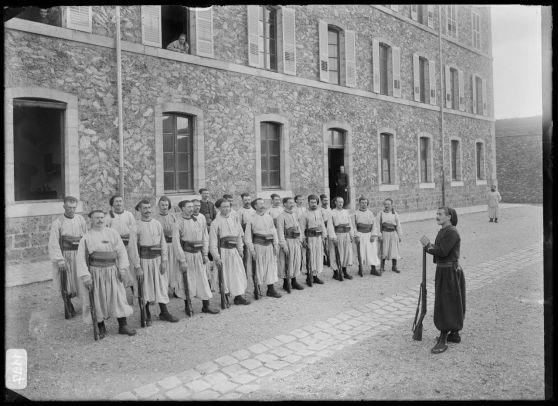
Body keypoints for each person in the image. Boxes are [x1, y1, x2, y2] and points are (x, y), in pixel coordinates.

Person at [76, 210, 136, 338]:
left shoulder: (113, 233)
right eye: (96, 218)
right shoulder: (86, 237)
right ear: (91, 220)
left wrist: (122, 269)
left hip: (112, 271)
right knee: (98, 299)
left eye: (102, 217)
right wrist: (86, 276)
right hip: (96, 272)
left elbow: (121, 252)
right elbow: (80, 258)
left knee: (118, 297)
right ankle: (101, 326)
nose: (100, 220)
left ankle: (123, 325)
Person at [420, 207, 466, 354]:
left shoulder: (452, 232)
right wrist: (431, 247)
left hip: (450, 272)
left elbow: (443, 251)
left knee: (446, 302)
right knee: (449, 300)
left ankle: (444, 337)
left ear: (449, 217)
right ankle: (454, 334)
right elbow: (439, 249)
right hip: (443, 270)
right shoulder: (443, 231)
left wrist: (428, 246)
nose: (437, 216)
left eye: (440, 214)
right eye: (437, 214)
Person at [129, 199, 179, 324]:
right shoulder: (135, 226)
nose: (147, 211)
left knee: (161, 286)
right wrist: (137, 266)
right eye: (144, 208)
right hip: (144, 260)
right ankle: (146, 313)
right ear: (139, 210)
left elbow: (162, 243)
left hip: (157, 260)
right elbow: (133, 248)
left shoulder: (157, 223)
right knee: (144, 287)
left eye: (149, 208)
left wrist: (164, 260)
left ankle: (164, 312)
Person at [173, 201, 219, 315]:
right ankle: (188, 305)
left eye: (192, 207)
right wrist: (182, 260)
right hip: (186, 255)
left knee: (203, 279)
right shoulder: (178, 223)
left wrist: (204, 254)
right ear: (182, 208)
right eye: (188, 207)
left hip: (198, 255)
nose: (191, 209)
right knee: (187, 281)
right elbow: (176, 243)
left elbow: (205, 237)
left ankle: (206, 305)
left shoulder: (199, 220)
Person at [48, 196, 88, 319]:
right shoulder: (58, 222)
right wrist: (59, 259)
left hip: (79, 254)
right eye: (69, 207)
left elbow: (86, 237)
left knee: (81, 278)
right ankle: (68, 304)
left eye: (74, 207)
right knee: (66, 281)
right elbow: (54, 242)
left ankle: (87, 305)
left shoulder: (80, 219)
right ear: (64, 206)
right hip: (66, 255)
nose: (71, 210)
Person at [209, 198, 251, 306]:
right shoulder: (215, 223)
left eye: (228, 206)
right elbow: (213, 243)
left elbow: (238, 237)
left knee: (237, 274)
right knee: (225, 275)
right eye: (224, 207)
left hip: (234, 252)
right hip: (223, 252)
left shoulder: (234, 219)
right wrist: (217, 257)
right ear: (218, 208)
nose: (227, 209)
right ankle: (225, 296)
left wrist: (240, 249)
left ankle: (238, 297)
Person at [244, 198, 281, 298]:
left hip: (269, 246)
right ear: (255, 206)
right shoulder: (251, 219)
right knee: (258, 268)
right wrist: (252, 250)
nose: (262, 205)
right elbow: (247, 237)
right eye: (260, 204)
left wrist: (275, 244)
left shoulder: (269, 217)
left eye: (263, 203)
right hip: (258, 246)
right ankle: (257, 288)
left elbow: (274, 231)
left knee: (270, 267)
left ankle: (271, 289)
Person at [105, 195, 137, 299]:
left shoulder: (129, 215)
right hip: (116, 248)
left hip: (128, 246)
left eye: (120, 201)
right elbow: (106, 232)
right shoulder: (108, 217)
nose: (119, 204)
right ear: (112, 204)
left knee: (131, 269)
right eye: (116, 202)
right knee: (119, 270)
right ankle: (119, 296)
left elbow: (134, 230)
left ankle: (136, 294)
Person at [152, 196, 181, 299]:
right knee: (163, 267)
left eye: (166, 205)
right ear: (159, 206)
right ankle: (162, 290)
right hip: (161, 247)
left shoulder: (173, 217)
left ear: (169, 206)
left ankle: (174, 289)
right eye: (162, 205)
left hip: (172, 245)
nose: (164, 207)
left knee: (173, 267)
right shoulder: (155, 218)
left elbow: (177, 231)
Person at [276, 197, 305, 293]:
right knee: (286, 261)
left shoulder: (296, 214)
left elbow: (299, 227)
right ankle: (285, 282)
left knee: (295, 260)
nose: (292, 205)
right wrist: (283, 244)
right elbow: (280, 231)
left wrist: (300, 240)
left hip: (295, 240)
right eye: (289, 203)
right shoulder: (281, 216)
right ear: (284, 204)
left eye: (293, 203)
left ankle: (294, 281)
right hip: (287, 241)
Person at [300, 194, 327, 286]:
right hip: (309, 238)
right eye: (311, 202)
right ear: (308, 203)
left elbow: (322, 224)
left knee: (317, 256)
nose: (313, 204)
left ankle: (315, 277)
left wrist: (324, 235)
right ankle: (309, 277)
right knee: (309, 257)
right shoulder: (304, 214)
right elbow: (301, 228)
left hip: (318, 238)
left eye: (315, 202)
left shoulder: (319, 212)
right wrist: (303, 240)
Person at [327, 196, 354, 280]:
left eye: (342, 202)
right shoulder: (331, 213)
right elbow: (330, 226)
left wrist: (351, 234)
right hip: (337, 235)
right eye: (339, 202)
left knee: (346, 253)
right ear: (335, 202)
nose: (341, 204)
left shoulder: (346, 212)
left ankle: (344, 271)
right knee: (336, 254)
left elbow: (350, 224)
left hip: (346, 235)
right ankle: (336, 273)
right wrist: (333, 237)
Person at [352, 197, 381, 276]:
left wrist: (373, 235)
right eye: (362, 203)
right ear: (359, 203)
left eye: (365, 203)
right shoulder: (355, 214)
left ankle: (373, 269)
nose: (364, 204)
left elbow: (374, 225)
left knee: (372, 252)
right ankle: (360, 268)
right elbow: (354, 226)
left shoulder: (370, 213)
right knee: (360, 252)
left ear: (367, 204)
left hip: (369, 235)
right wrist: (356, 235)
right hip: (360, 235)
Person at [193, 199, 217, 292]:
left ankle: (207, 284)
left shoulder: (202, 217)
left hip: (201, 247)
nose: (197, 207)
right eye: (195, 206)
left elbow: (205, 236)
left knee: (204, 267)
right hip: (192, 248)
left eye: (198, 205)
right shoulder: (188, 219)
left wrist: (205, 251)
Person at [376, 198, 402, 273]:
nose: (387, 206)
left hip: (393, 234)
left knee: (394, 250)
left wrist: (400, 235)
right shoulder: (380, 214)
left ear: (391, 205)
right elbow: (377, 225)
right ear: (384, 205)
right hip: (384, 233)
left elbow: (398, 225)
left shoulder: (395, 214)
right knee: (383, 250)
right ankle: (382, 266)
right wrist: (379, 234)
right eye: (385, 204)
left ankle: (394, 266)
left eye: (388, 204)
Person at [237, 192, 256, 277]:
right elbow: (239, 226)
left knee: (253, 254)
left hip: (254, 236)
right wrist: (243, 237)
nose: (247, 201)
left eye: (248, 199)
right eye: (245, 200)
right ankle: (244, 274)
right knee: (245, 256)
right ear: (242, 200)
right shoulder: (240, 212)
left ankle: (254, 273)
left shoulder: (254, 211)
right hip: (245, 236)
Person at [320, 194, 333, 267]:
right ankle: (324, 259)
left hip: (329, 227)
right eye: (325, 200)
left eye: (327, 200)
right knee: (324, 244)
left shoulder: (329, 209)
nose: (326, 202)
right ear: (321, 201)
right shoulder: (320, 210)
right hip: (324, 227)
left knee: (329, 244)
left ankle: (329, 258)